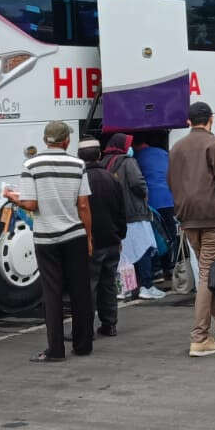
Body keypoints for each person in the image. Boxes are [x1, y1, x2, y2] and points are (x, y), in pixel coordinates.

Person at [7, 119, 94, 363]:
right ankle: (83, 344)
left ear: (46, 140)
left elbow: (31, 204)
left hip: (46, 238)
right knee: (80, 291)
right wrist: (89, 237)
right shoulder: (78, 165)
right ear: (66, 141)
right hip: (74, 235)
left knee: (52, 293)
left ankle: (55, 350)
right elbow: (84, 205)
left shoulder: (31, 165)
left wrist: (12, 197)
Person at [168, 101, 215, 357]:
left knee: (209, 273)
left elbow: (172, 184)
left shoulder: (176, 147)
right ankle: (200, 337)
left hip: (188, 219)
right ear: (210, 119)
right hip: (214, 219)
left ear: (188, 121)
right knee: (207, 276)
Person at [101, 133, 163, 301]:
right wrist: (144, 194)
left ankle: (125, 288)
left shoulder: (105, 163)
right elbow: (137, 183)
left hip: (115, 215)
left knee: (124, 253)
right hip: (135, 212)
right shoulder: (128, 162)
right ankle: (146, 286)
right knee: (143, 249)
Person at [78, 138, 126, 337]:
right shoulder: (111, 178)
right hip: (112, 239)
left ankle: (85, 328)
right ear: (99, 155)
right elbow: (121, 211)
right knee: (108, 283)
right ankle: (110, 324)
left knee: (88, 286)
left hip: (90, 241)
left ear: (80, 157)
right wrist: (120, 235)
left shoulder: (80, 180)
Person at [134, 133, 176, 285]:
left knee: (155, 237)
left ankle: (157, 270)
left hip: (152, 202)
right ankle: (171, 268)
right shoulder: (163, 153)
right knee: (170, 235)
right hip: (169, 199)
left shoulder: (136, 157)